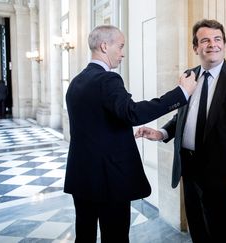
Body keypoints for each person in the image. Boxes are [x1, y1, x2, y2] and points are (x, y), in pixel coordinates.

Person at [135, 19, 226, 243]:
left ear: (224, 44)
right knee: (198, 228)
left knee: (225, 233)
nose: (212, 44)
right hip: (190, 169)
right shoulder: (189, 76)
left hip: (225, 174)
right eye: (204, 40)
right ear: (195, 47)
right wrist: (163, 133)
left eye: (217, 39)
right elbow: (183, 116)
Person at [64, 25, 197, 243]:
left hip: (82, 176)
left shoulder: (77, 82)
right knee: (115, 236)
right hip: (109, 179)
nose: (123, 52)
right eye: (121, 46)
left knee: (84, 235)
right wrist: (181, 92)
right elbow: (133, 113)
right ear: (105, 46)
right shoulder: (108, 79)